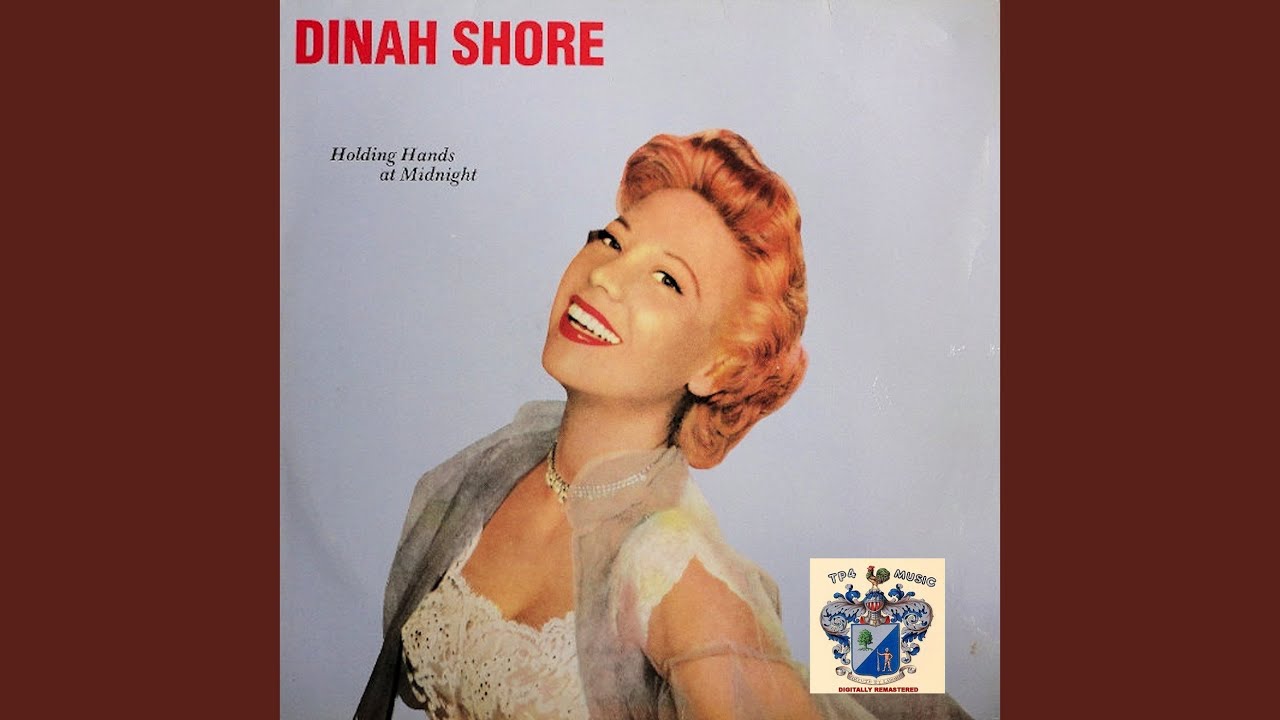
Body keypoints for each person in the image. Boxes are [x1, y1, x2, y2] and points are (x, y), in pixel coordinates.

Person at [355, 130, 972, 720]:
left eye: (667, 280)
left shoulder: (675, 567)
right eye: (612, 240)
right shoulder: (493, 468)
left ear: (717, 365)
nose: (604, 275)